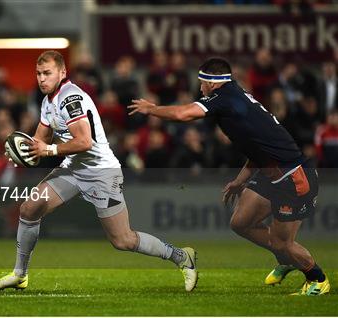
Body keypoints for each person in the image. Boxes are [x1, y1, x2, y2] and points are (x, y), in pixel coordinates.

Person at [0, 50, 197, 292]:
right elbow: (39, 142)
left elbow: (85, 142)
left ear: (62, 72)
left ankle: (181, 256)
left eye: (47, 73)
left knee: (123, 240)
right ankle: (20, 274)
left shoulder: (70, 98)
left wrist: (49, 151)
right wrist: (24, 152)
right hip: (73, 168)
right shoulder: (47, 101)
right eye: (38, 74)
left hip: (100, 172)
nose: (42, 79)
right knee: (29, 208)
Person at [128, 57, 329, 296]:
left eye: (203, 83)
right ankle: (285, 259)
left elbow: (184, 114)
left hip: (293, 178)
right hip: (270, 173)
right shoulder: (235, 99)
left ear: (213, 84)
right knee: (240, 222)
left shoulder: (225, 98)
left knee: (283, 242)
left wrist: (152, 109)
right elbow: (257, 151)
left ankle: (318, 279)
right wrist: (239, 182)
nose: (200, 87)